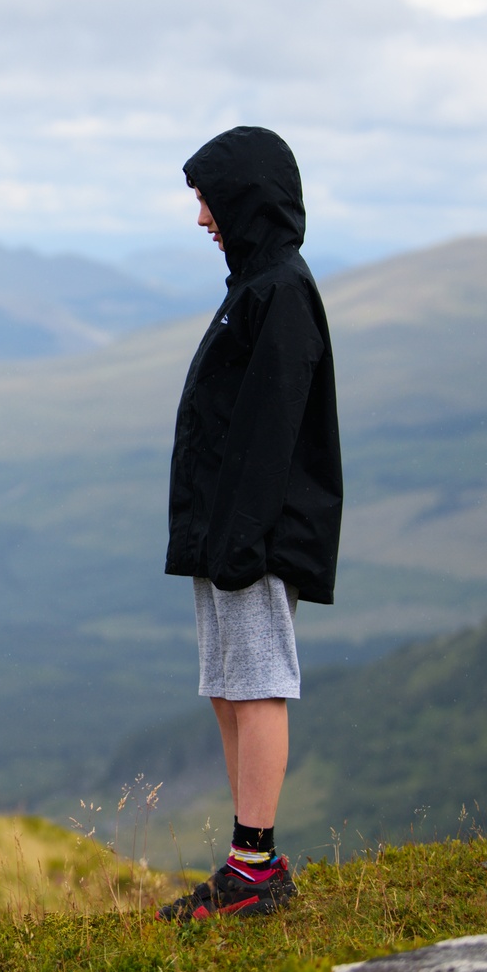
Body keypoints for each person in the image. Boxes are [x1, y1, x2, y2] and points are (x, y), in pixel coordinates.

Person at [154, 126, 342, 922]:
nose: (202, 217)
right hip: (226, 529)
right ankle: (249, 861)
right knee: (228, 685)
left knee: (258, 681)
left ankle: (256, 868)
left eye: (210, 200)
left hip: (252, 535)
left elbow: (272, 428)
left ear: (246, 199)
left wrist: (240, 536)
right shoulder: (259, 286)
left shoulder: (280, 293)